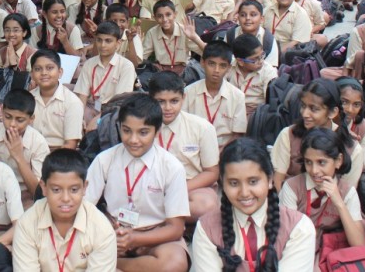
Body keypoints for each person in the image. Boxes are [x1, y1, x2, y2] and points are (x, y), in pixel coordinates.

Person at [84, 93, 190, 272]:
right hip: (113, 232)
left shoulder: (171, 166)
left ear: (156, 131)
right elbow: (85, 207)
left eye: (143, 132)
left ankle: (116, 265)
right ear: (119, 127)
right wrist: (109, 235)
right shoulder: (105, 160)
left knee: (175, 263)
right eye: (126, 131)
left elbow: (176, 228)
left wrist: (134, 238)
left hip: (156, 236)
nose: (133, 140)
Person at [192, 138, 316, 271]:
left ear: (269, 179)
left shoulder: (299, 228)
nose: (244, 193)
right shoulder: (206, 229)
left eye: (253, 182)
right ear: (222, 183)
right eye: (234, 183)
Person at [11, 148, 118, 271]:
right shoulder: (27, 223)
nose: (66, 198)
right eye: (56, 190)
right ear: (44, 188)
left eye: (74, 190)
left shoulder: (102, 229)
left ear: (84, 188)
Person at [280, 128, 365, 253]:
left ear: (338, 161)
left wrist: (339, 203)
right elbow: (286, 236)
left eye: (321, 162)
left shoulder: (347, 192)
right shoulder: (292, 187)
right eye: (308, 162)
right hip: (299, 248)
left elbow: (359, 244)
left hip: (331, 250)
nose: (314, 170)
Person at [148, 71, 220, 222]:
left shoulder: (202, 127)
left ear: (183, 98)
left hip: (190, 187)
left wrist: (177, 189)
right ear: (150, 100)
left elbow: (212, 172)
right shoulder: (142, 125)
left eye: (174, 101)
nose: (167, 108)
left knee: (206, 205)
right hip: (149, 186)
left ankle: (154, 219)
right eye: (160, 101)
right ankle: (168, 220)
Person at [0, 89, 50, 208]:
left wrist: (18, 156)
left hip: (25, 195)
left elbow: (38, 193)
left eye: (20, 120)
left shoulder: (38, 143)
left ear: (31, 119)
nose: (12, 124)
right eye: (8, 117)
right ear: (2, 111)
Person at [183, 41, 247, 151]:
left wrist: (221, 154)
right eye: (211, 64)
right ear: (202, 63)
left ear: (229, 68)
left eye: (222, 66)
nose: (216, 70)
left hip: (224, 149)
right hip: (193, 148)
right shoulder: (188, 92)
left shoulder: (237, 96)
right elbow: (182, 127)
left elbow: (238, 134)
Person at [29, 49, 84, 151]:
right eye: (38, 69)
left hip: (59, 157)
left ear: (60, 72)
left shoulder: (72, 102)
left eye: (50, 68)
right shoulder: (28, 99)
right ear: (32, 74)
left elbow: (70, 144)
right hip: (30, 152)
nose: (44, 73)